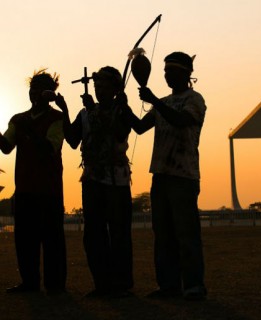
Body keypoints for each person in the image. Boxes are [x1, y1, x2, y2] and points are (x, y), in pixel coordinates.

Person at [123, 51, 207, 300]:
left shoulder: (195, 99)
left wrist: (155, 102)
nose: (167, 75)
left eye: (171, 71)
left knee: (186, 233)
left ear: (186, 73)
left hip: (184, 175)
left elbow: (181, 121)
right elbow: (139, 127)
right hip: (160, 175)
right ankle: (169, 285)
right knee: (163, 235)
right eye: (165, 71)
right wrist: (123, 105)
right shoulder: (163, 102)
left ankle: (194, 285)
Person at [57, 66, 133, 298]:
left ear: (115, 89)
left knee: (119, 232)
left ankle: (121, 284)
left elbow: (120, 134)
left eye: (104, 86)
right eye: (97, 86)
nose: (99, 90)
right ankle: (102, 282)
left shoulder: (122, 110)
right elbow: (71, 140)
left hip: (116, 180)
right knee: (94, 232)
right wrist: (65, 110)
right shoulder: (85, 114)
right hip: (91, 179)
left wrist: (94, 110)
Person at [0, 69, 67, 295]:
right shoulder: (18, 120)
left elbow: (50, 148)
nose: (35, 94)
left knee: (52, 240)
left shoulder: (57, 119)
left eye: (40, 90)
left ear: (50, 93)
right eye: (33, 89)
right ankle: (29, 282)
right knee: (25, 240)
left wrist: (27, 132)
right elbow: (6, 147)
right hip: (26, 189)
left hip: (50, 190)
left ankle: (55, 285)